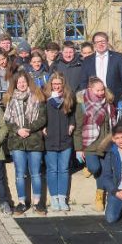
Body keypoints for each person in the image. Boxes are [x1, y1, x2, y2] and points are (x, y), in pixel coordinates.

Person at [3, 71, 47, 216]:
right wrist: (18, 130)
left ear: (28, 82)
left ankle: (37, 203)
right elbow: (7, 120)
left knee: (35, 173)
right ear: (15, 84)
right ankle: (22, 202)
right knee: (20, 174)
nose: (21, 84)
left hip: (34, 140)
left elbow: (42, 118)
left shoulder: (37, 97)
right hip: (17, 142)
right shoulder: (10, 99)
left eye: (24, 82)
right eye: (19, 82)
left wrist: (29, 129)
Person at [73, 77, 116, 211]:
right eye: (98, 90)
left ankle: (99, 196)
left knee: (105, 172)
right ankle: (89, 168)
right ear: (90, 89)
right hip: (90, 144)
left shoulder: (108, 104)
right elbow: (78, 128)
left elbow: (112, 124)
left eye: (102, 89)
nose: (101, 92)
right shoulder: (83, 104)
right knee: (95, 168)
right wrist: (79, 149)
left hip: (106, 143)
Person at [42, 72, 75, 211]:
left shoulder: (68, 98)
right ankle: (54, 198)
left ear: (63, 85)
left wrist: (72, 124)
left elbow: (73, 114)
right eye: (54, 84)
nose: (56, 86)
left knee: (63, 169)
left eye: (59, 84)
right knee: (52, 170)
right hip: (50, 139)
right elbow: (41, 115)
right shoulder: (45, 99)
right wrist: (43, 126)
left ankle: (62, 198)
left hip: (65, 140)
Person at [79, 32, 122, 99]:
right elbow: (83, 82)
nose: (100, 44)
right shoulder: (87, 60)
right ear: (94, 44)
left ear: (107, 42)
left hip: (115, 98)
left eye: (103, 41)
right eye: (97, 42)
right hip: (94, 99)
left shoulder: (118, 57)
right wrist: (87, 97)